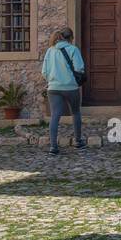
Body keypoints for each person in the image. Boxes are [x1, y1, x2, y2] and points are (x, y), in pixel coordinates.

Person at [41, 27, 86, 156]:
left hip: (53, 88)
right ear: (71, 38)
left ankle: (53, 147)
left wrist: (52, 80)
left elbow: (44, 72)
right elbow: (79, 68)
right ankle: (78, 141)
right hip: (70, 87)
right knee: (76, 112)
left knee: (55, 115)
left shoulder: (50, 51)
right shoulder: (73, 49)